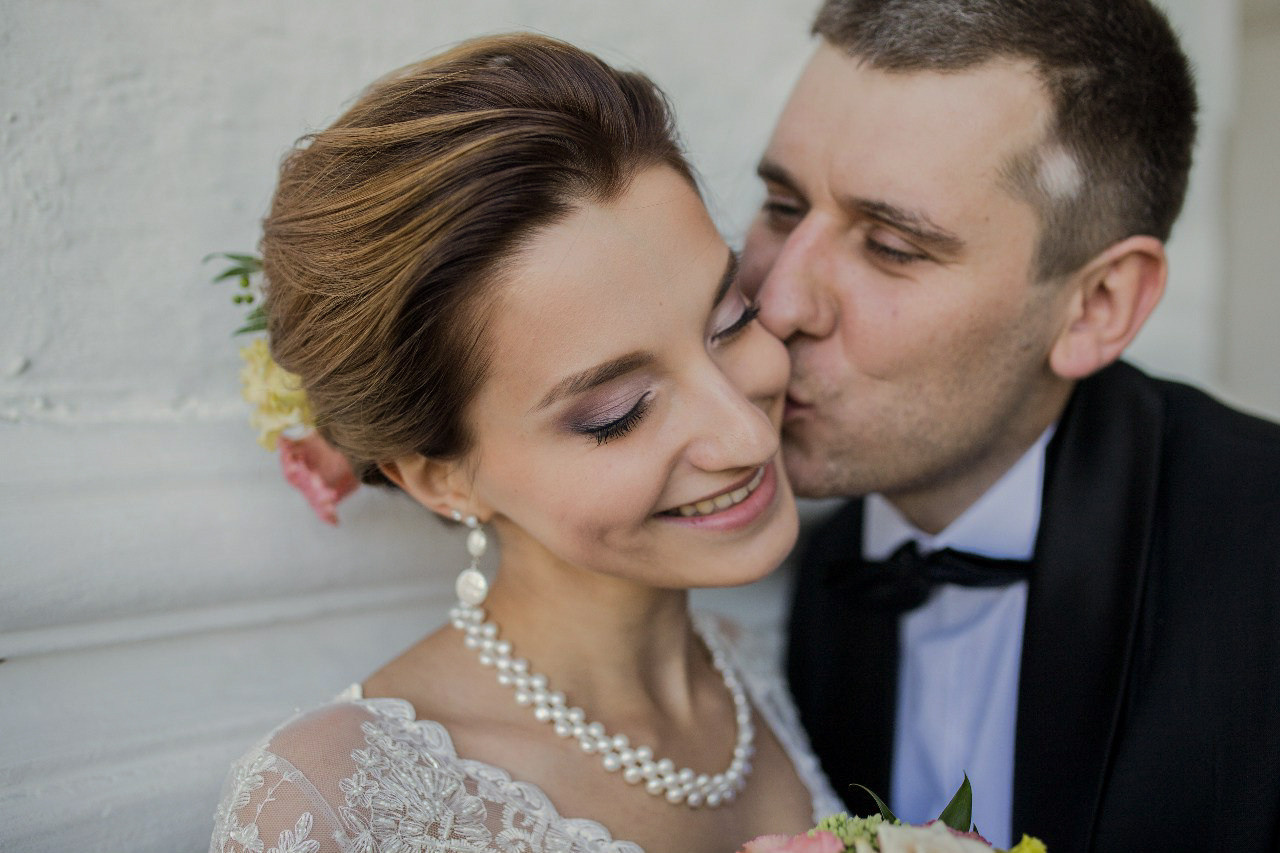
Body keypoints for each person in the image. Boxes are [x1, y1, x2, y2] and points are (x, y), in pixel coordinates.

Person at [208, 34, 842, 853]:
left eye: (732, 320)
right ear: (442, 481)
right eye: (616, 411)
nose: (750, 431)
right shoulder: (337, 804)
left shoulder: (766, 672)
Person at [740, 1, 1280, 851]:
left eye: (891, 245)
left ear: (1097, 306)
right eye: (780, 203)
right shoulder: (809, 566)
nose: (775, 302)